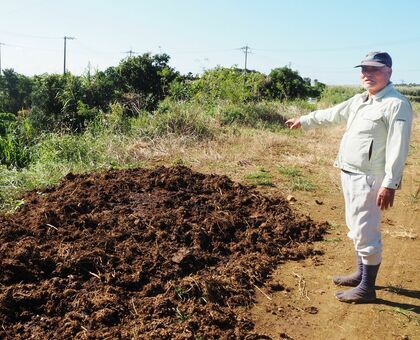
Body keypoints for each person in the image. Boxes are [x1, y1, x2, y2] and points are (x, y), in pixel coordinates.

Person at [285, 51, 413, 303]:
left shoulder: (396, 104)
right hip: (349, 173)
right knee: (355, 227)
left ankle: (367, 288)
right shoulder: (360, 100)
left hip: (370, 178)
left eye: (374, 69)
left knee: (366, 231)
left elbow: (399, 148)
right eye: (364, 69)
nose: (367, 74)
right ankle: (360, 273)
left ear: (388, 72)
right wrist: (305, 120)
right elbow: (333, 113)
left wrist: (390, 183)